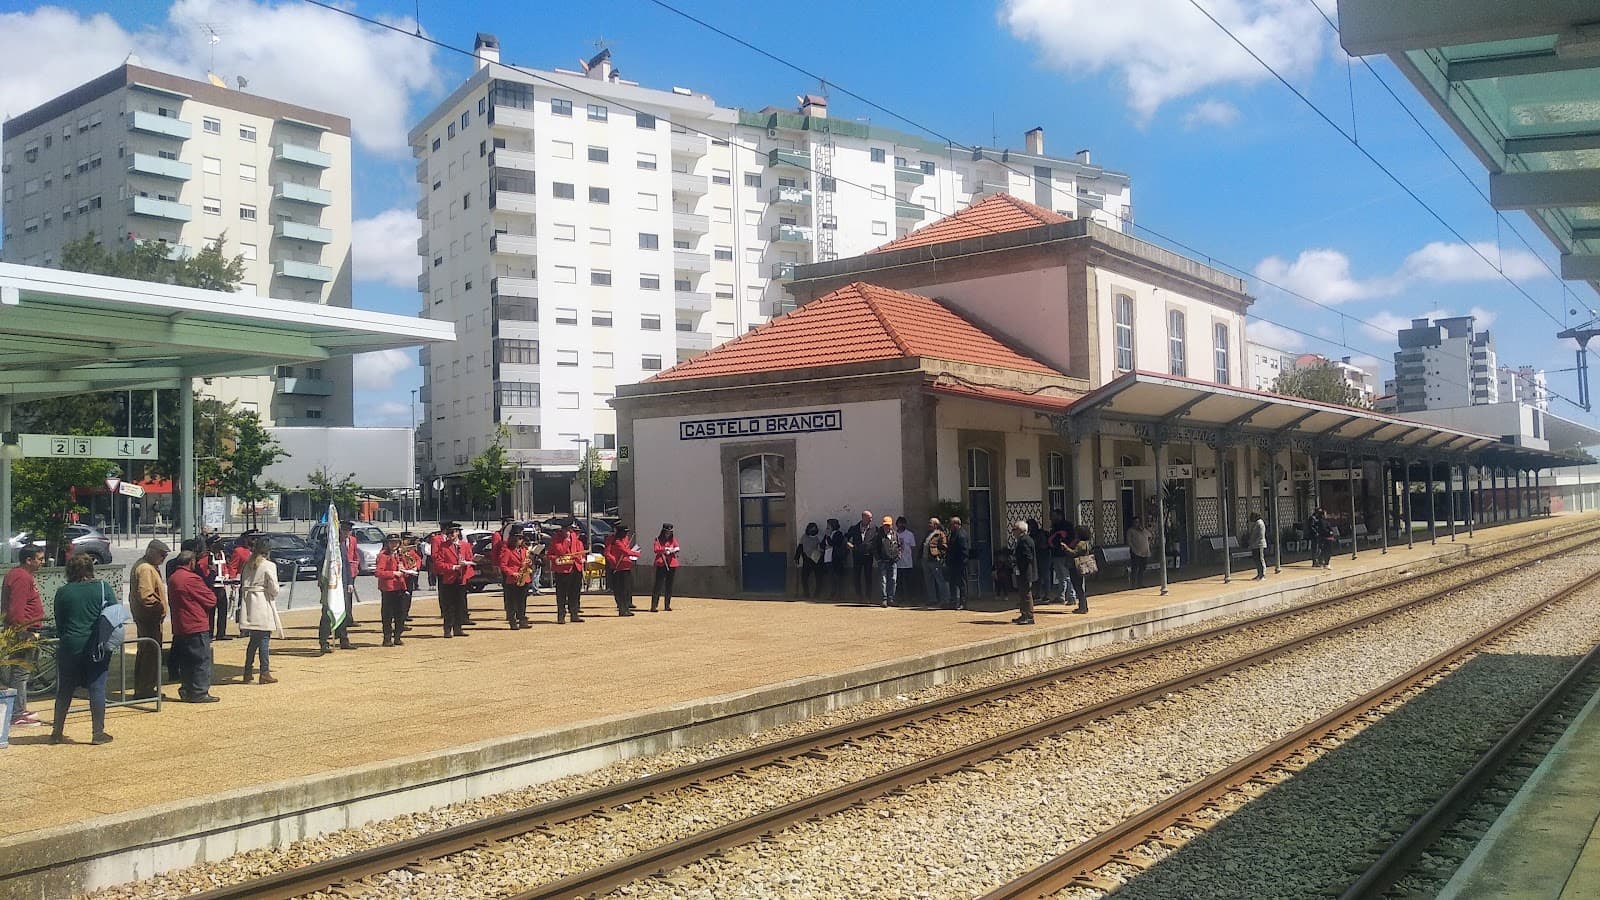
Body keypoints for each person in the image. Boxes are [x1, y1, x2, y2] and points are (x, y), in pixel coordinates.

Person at [49, 555, 118, 745]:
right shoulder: (103, 588)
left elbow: (60, 622)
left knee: (65, 689)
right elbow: (114, 616)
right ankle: (98, 733)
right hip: (96, 646)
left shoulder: (63, 592)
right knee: (97, 687)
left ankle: (56, 732)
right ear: (90, 569)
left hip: (70, 645)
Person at [167, 551, 219, 703]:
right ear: (191, 562)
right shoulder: (191, 579)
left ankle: (186, 688)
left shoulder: (173, 578)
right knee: (201, 659)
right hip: (195, 623)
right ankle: (199, 692)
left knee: (186, 660)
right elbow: (211, 600)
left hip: (180, 625)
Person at [2, 546, 45, 728]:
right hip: (24, 632)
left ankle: (19, 708)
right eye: (40, 559)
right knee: (20, 673)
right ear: (29, 560)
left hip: (25, 629)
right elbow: (16, 608)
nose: (43, 562)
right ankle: (16, 713)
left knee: (21, 672)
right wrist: (24, 631)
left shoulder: (19, 575)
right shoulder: (21, 577)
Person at [237, 538, 284, 683]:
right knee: (264, 638)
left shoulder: (247, 564)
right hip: (262, 602)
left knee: (254, 640)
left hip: (249, 602)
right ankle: (264, 671)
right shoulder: (269, 565)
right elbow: (274, 589)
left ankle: (247, 671)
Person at [128, 539, 169, 700]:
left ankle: (145, 687)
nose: (163, 558)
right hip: (149, 618)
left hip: (146, 617)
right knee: (149, 653)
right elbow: (146, 596)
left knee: (147, 652)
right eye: (161, 555)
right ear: (151, 551)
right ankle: (145, 688)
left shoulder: (146, 566)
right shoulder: (145, 568)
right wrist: (159, 608)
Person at [432, 522, 469, 637]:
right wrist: (452, 567)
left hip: (461, 578)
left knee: (460, 604)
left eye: (453, 532)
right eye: (449, 533)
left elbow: (470, 558)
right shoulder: (443, 546)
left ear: (458, 533)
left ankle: (458, 628)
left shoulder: (465, 545)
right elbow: (439, 563)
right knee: (449, 605)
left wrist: (466, 564)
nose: (451, 535)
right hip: (449, 578)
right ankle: (447, 629)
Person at [376, 534, 413, 644]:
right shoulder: (383, 555)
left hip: (400, 587)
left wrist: (407, 570)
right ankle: (387, 638)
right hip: (388, 588)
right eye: (392, 542)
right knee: (387, 615)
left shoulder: (400, 555)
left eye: (396, 542)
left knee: (400, 613)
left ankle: (397, 636)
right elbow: (378, 572)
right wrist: (393, 573)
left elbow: (406, 568)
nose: (394, 545)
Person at [550, 518, 587, 623]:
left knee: (575, 592)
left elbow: (577, 549)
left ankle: (574, 614)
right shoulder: (557, 538)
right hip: (563, 569)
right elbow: (560, 551)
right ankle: (561, 615)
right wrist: (566, 540)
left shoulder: (574, 536)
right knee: (562, 594)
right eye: (569, 529)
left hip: (575, 567)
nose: (571, 531)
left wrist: (580, 557)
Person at [496, 529, 533, 629]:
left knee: (522, 601)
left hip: (524, 578)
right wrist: (512, 573)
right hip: (513, 579)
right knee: (512, 602)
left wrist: (529, 563)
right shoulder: (507, 551)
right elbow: (503, 565)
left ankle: (522, 620)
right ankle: (512, 621)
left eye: (521, 538)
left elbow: (526, 562)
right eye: (518, 538)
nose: (520, 541)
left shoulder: (524, 551)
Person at [603, 524, 641, 616]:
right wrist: (614, 562)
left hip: (626, 566)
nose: (626, 534)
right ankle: (622, 609)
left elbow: (627, 550)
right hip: (618, 567)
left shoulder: (626, 539)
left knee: (627, 589)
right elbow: (623, 551)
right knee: (620, 590)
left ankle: (626, 608)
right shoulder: (615, 541)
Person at [1047, 513, 1078, 607]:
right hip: (1056, 554)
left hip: (1063, 554)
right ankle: (1061, 596)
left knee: (1066, 576)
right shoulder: (1056, 526)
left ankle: (1071, 596)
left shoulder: (1064, 527)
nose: (1051, 518)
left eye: (1053, 516)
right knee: (1061, 577)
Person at [207, 534, 234, 642]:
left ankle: (221, 633)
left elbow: (225, 567)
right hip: (212, 587)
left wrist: (226, 575)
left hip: (221, 585)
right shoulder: (208, 556)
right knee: (211, 612)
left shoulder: (222, 554)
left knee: (223, 610)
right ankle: (209, 633)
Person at [1011, 521, 1039, 625]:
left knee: (1026, 594)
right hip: (1022, 571)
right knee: (1022, 593)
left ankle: (1029, 616)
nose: (1013, 532)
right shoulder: (1022, 540)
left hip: (1026, 571)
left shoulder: (1025, 540)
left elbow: (1028, 557)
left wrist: (1018, 563)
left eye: (1015, 530)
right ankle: (1023, 614)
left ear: (1020, 530)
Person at [845, 510, 876, 600]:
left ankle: (868, 597)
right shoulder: (854, 528)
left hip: (868, 555)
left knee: (868, 577)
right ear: (863, 518)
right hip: (857, 555)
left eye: (871, 518)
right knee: (857, 576)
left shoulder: (874, 528)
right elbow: (845, 537)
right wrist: (848, 544)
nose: (871, 520)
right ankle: (859, 596)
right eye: (869, 518)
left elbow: (876, 540)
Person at [873, 515, 902, 608]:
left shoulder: (895, 534)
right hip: (883, 561)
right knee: (883, 580)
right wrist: (879, 559)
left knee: (893, 580)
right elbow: (875, 548)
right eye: (885, 525)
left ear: (892, 525)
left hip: (893, 562)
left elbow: (899, 546)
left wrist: (898, 556)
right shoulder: (879, 535)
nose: (887, 527)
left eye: (888, 525)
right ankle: (884, 599)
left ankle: (891, 599)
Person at [651, 523, 680, 612]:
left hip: (671, 564)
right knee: (658, 585)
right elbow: (656, 549)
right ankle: (654, 606)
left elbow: (677, 547)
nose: (668, 534)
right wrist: (664, 550)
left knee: (669, 585)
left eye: (670, 532)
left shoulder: (673, 539)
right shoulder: (658, 539)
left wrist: (673, 550)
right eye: (667, 532)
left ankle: (667, 605)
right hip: (661, 564)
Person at [1067, 524, 1095, 614]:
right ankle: (1082, 606)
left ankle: (1083, 607)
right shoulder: (1079, 542)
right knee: (1078, 586)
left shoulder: (1081, 543)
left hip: (1077, 567)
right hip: (1075, 566)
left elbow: (1074, 553)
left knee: (1078, 586)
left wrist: (1065, 548)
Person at [922, 518, 949, 608]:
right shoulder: (928, 534)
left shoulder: (940, 534)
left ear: (936, 525)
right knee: (929, 581)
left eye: (931, 523)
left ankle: (944, 600)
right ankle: (932, 599)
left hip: (934, 560)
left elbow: (944, 547)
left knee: (940, 580)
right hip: (926, 560)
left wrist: (939, 555)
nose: (929, 525)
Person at [794, 522, 824, 598]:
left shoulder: (818, 538)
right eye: (811, 529)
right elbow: (800, 548)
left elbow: (821, 549)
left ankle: (817, 594)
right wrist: (796, 557)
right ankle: (806, 593)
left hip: (816, 560)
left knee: (819, 578)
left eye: (814, 529)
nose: (813, 530)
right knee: (804, 578)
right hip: (806, 560)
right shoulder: (804, 537)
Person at [946, 517, 970, 610]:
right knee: (952, 583)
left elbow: (964, 551)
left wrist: (963, 563)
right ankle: (953, 602)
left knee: (962, 584)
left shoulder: (961, 535)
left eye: (951, 524)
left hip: (960, 564)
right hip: (953, 563)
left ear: (957, 524)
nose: (950, 526)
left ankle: (963, 603)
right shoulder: (953, 534)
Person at [823, 518, 848, 601]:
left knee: (837, 577)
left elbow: (832, 543)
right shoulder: (827, 535)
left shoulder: (838, 534)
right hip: (827, 558)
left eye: (829, 526)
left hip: (835, 558)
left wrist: (828, 536)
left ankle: (839, 594)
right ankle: (832, 593)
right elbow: (823, 545)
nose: (827, 527)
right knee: (831, 578)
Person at [895, 516, 917, 602]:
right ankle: (900, 598)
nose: (901, 525)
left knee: (909, 582)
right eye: (899, 523)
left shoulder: (909, 534)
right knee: (898, 582)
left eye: (902, 523)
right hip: (897, 563)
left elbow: (913, 547)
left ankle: (910, 598)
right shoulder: (894, 534)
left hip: (907, 563)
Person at [1126, 516, 1153, 589]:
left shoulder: (1143, 530)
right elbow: (1129, 541)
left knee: (1142, 568)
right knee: (1135, 569)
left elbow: (1150, 535)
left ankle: (1140, 583)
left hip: (1145, 552)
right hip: (1136, 552)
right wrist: (1133, 549)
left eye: (1138, 522)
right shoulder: (1131, 531)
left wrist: (1143, 529)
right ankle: (1133, 585)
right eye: (1135, 522)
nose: (1137, 524)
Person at [1248, 511, 1269, 580]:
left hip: (1259, 544)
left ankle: (1262, 574)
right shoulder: (1257, 523)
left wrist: (1251, 542)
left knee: (1260, 559)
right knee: (1256, 559)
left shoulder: (1259, 523)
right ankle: (1259, 573)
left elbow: (1256, 535)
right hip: (1255, 544)